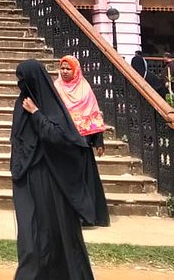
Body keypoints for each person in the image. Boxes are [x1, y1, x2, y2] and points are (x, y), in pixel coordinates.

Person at [10, 59, 105, 279]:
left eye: (24, 80)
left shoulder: (49, 105)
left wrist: (37, 115)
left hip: (53, 180)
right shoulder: (22, 103)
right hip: (29, 177)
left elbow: (62, 138)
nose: (21, 85)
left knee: (56, 233)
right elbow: (19, 140)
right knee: (32, 235)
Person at [53, 56, 110, 225]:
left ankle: (85, 215)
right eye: (62, 68)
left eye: (68, 69)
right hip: (62, 142)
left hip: (82, 144)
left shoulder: (85, 90)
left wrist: (98, 142)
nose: (64, 72)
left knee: (83, 179)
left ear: (75, 70)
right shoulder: (55, 88)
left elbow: (94, 114)